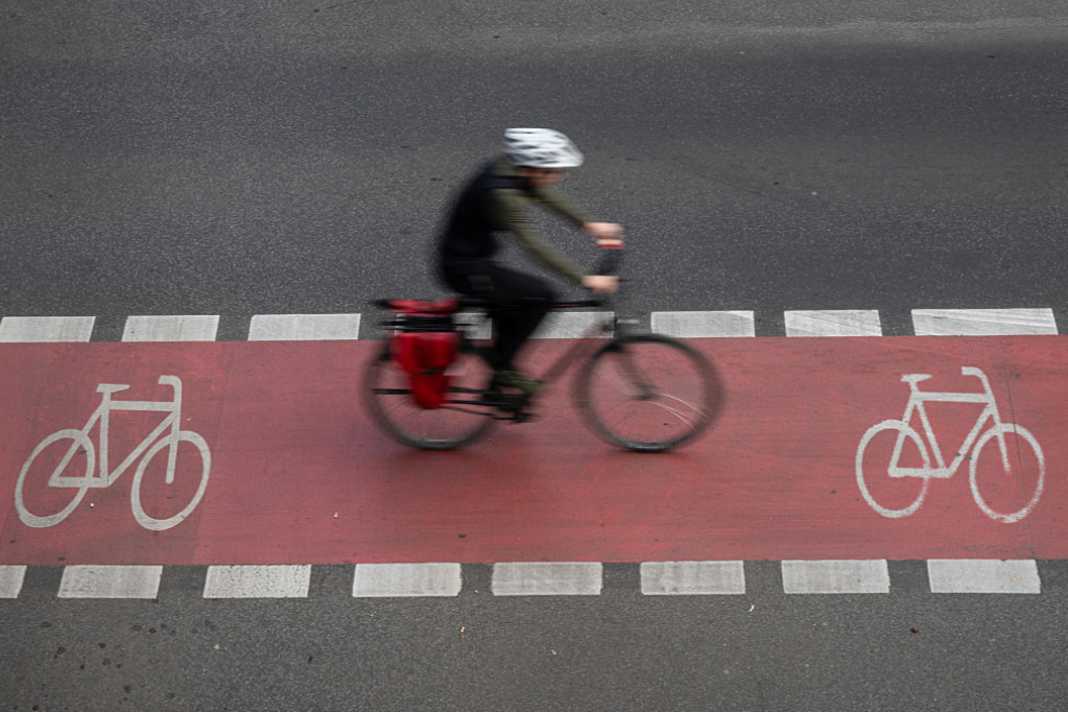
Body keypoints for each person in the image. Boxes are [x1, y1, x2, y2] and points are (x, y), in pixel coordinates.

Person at [437, 128, 622, 394]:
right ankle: (503, 370)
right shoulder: (502, 195)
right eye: (554, 171)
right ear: (534, 168)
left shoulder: (511, 168)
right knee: (541, 296)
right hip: (463, 268)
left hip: (472, 258)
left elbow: (542, 194)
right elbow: (532, 244)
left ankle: (500, 361)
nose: (559, 177)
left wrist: (589, 225)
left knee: (516, 299)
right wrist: (585, 279)